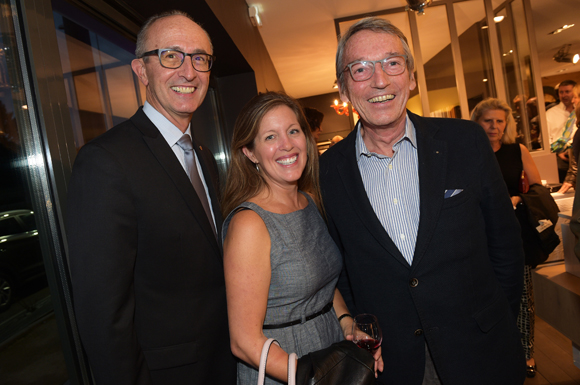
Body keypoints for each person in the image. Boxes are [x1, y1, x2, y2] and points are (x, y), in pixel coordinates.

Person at [319, 17, 526, 385]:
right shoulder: (327, 173)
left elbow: (506, 246)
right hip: (395, 365)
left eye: (392, 63)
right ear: (345, 88)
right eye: (361, 68)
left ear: (412, 77)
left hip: (483, 351)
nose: (379, 80)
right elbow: (341, 271)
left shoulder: (465, 141)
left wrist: (496, 323)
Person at [66, 10, 236, 385]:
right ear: (141, 71)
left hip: (223, 363)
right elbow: (102, 313)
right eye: (170, 56)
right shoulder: (106, 161)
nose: (188, 72)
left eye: (199, 59)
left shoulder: (204, 156)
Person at [221, 92, 382, 384]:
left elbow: (322, 281)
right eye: (270, 137)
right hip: (286, 366)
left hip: (330, 348)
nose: (287, 145)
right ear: (250, 152)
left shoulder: (309, 201)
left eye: (293, 131)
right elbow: (243, 342)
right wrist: (314, 376)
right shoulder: (250, 224)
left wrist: (347, 325)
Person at [471, 98, 542, 378]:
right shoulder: (470, 151)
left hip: (514, 233)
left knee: (523, 296)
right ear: (477, 122)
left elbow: (536, 187)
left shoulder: (517, 150)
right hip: (480, 236)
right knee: (486, 297)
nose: (494, 126)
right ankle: (494, 352)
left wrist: (515, 198)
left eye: (500, 121)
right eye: (488, 120)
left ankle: (527, 353)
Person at [547, 80, 578, 183]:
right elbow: (546, 139)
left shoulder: (578, 112)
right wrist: (559, 152)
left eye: (567, 91)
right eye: (561, 92)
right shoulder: (550, 113)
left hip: (577, 154)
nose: (564, 95)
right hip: (559, 159)